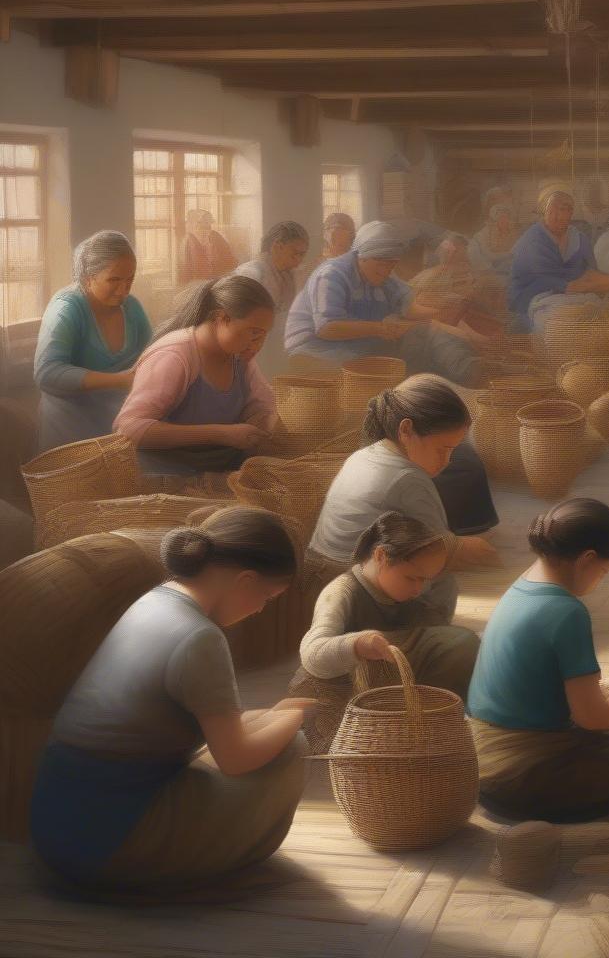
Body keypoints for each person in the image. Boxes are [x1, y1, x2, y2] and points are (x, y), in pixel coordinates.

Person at [30, 507, 311, 896]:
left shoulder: (153, 602)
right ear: (246, 580)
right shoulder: (199, 636)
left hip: (59, 828)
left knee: (267, 724)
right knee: (291, 748)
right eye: (266, 597)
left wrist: (273, 717)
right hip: (112, 841)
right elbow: (236, 758)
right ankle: (206, 867)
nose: (260, 609)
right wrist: (294, 720)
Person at [468, 498, 609, 823]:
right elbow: (594, 718)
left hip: (477, 756)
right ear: (586, 559)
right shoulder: (567, 612)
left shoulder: (523, 582)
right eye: (604, 572)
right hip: (519, 774)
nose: (600, 581)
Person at [309, 375, 500, 619]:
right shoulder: (409, 479)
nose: (447, 461)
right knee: (444, 585)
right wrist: (470, 551)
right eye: (443, 449)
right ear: (406, 429)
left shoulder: (364, 455)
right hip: (360, 594)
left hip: (324, 580)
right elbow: (436, 551)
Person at [289, 511, 480, 751]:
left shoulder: (403, 595)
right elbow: (312, 653)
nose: (419, 589)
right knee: (460, 644)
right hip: (350, 694)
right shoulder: (342, 592)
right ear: (381, 556)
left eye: (424, 580)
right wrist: (357, 645)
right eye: (412, 578)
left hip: (397, 685)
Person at [285, 221, 484, 387]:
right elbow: (327, 328)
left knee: (422, 336)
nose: (386, 270)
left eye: (391, 264)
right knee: (411, 351)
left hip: (358, 347)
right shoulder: (331, 274)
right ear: (361, 257)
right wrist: (379, 329)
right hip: (316, 352)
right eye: (381, 263)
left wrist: (439, 312)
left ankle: (470, 374)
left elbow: (408, 308)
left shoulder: (383, 274)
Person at [113, 274, 277, 476]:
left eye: (263, 336)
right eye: (254, 334)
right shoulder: (175, 356)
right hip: (166, 476)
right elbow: (129, 430)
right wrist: (222, 435)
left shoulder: (240, 357)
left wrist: (262, 421)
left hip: (220, 470)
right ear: (222, 318)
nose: (258, 345)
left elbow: (262, 405)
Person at [34, 230, 151, 452]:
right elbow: (46, 373)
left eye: (129, 280)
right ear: (89, 278)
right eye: (114, 280)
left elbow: (150, 353)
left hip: (118, 429)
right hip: (69, 435)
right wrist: (120, 380)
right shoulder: (67, 308)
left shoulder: (132, 307)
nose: (123, 290)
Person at [507, 183, 609, 334]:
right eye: (553, 209)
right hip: (533, 301)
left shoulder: (579, 238)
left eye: (565, 209)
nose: (559, 215)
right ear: (544, 210)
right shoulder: (532, 240)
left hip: (572, 297)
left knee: (604, 316)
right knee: (566, 325)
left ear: (572, 212)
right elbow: (567, 282)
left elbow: (590, 273)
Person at [233, 221, 309, 317]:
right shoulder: (251, 273)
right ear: (278, 247)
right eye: (295, 254)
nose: (299, 260)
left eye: (302, 255)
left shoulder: (291, 274)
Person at [178, 209, 237, 284]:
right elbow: (186, 269)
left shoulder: (216, 236)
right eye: (200, 222)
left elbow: (230, 261)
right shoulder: (189, 240)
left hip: (218, 279)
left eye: (208, 222)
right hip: (198, 282)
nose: (205, 226)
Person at [468, 202, 519, 281]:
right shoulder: (485, 233)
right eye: (501, 217)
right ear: (495, 219)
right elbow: (489, 256)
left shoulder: (513, 232)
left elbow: (517, 251)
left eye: (506, 217)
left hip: (506, 267)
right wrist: (509, 254)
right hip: (487, 267)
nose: (504, 220)